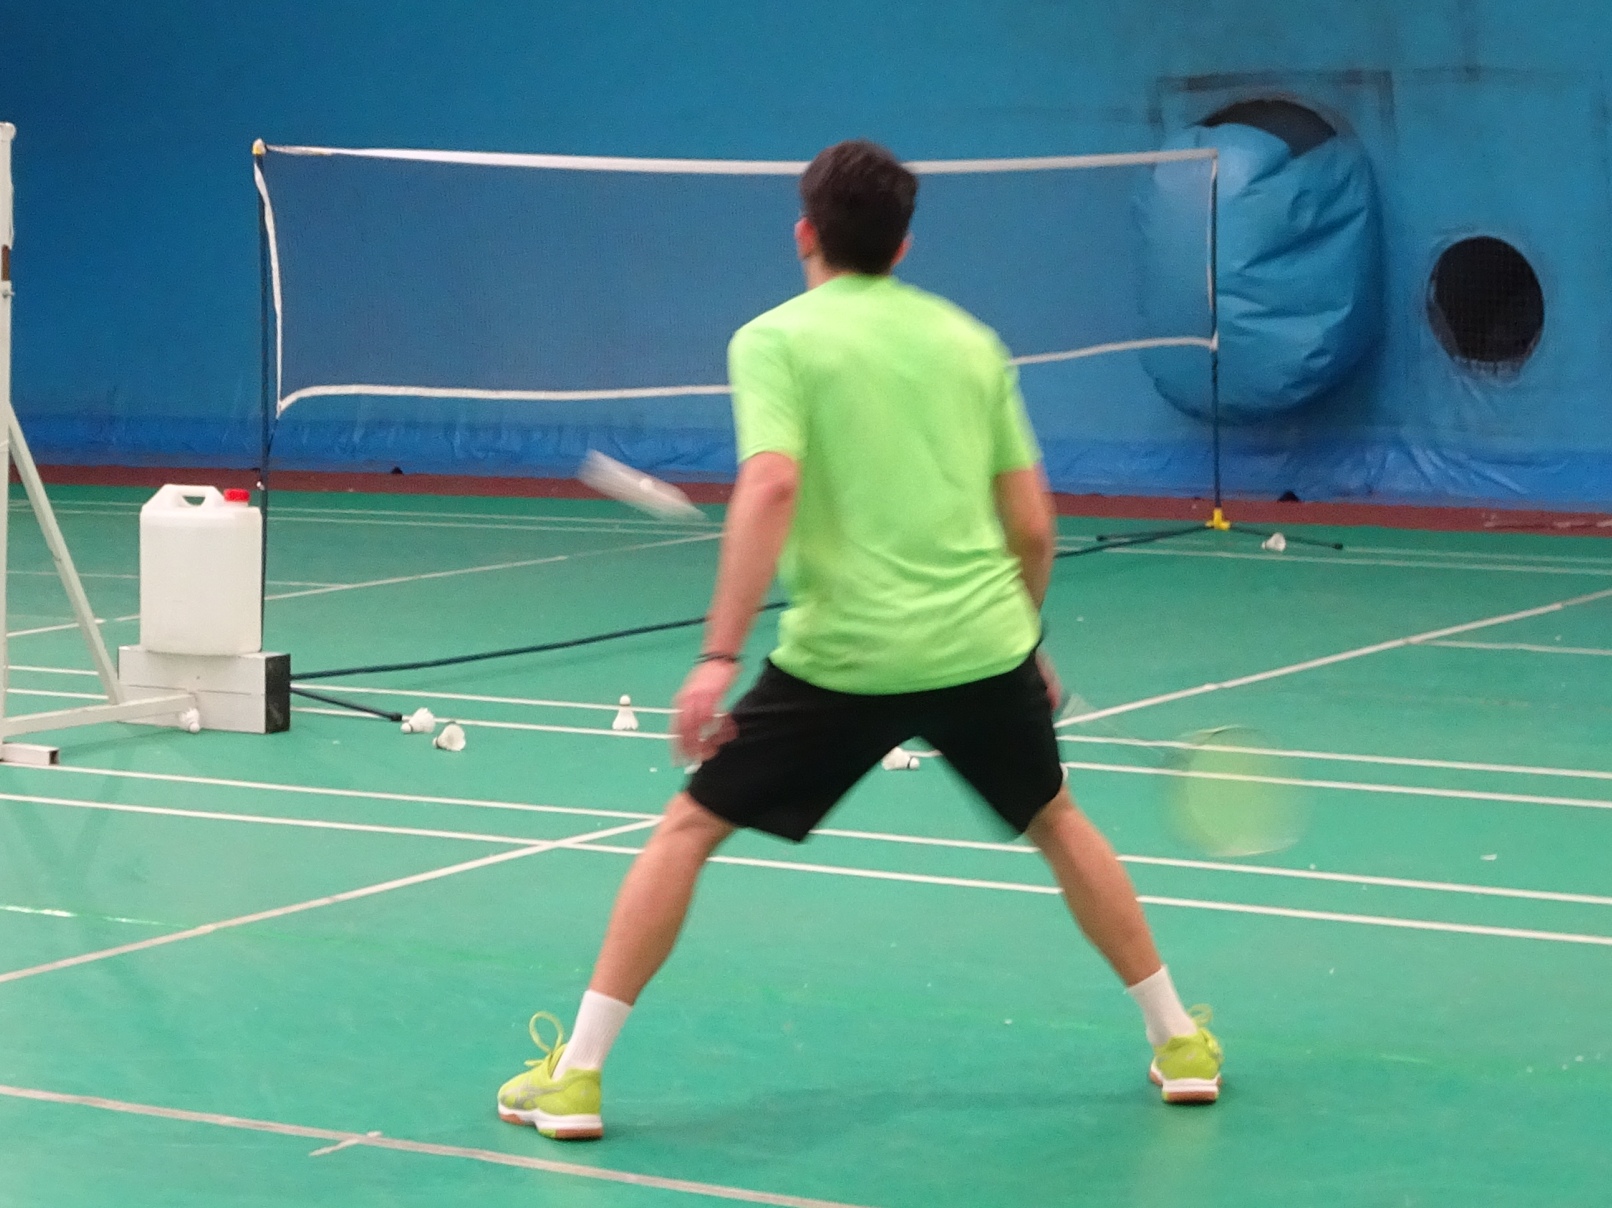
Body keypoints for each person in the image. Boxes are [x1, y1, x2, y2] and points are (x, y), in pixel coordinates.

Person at [496, 139, 1222, 1140]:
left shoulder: (772, 339)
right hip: (980, 646)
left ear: (805, 233)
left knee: (688, 831)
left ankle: (577, 1076)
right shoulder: (972, 342)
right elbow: (1033, 526)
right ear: (903, 244)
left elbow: (772, 483)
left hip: (843, 659)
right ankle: (1179, 1040)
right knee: (1056, 819)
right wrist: (1022, 633)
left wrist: (716, 658)